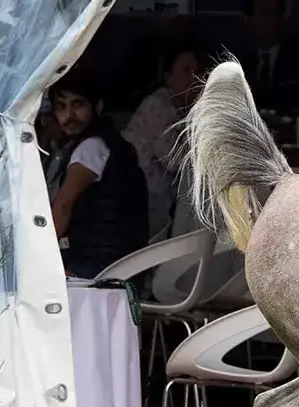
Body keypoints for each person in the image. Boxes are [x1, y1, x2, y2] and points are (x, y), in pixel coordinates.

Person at [45, 68, 149, 279]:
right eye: (61, 107)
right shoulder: (110, 144)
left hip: (98, 266)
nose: (69, 116)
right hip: (116, 263)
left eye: (78, 104)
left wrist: (39, 256)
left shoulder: (91, 147)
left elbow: (62, 206)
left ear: (97, 107)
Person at [122, 43, 204, 241]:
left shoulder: (181, 108)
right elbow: (176, 161)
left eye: (198, 71)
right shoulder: (158, 106)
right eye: (186, 70)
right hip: (142, 204)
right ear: (169, 77)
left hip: (159, 203)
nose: (195, 78)